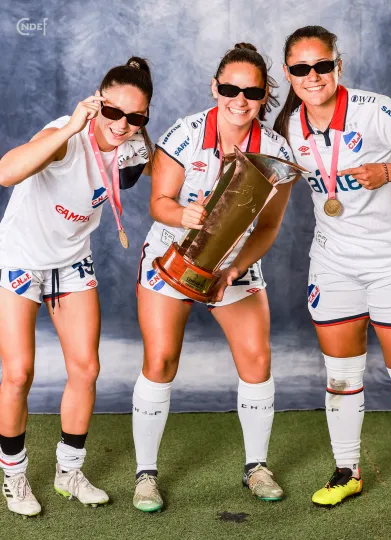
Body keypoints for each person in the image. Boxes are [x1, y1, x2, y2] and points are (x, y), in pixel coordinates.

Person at [274, 25, 391, 517]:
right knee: (341, 376)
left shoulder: (374, 109)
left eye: (322, 65)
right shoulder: (289, 127)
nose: (313, 75)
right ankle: (347, 472)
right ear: (289, 74)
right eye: (301, 68)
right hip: (334, 263)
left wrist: (389, 171)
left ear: (337, 66)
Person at [133, 43, 296, 512]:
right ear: (214, 87)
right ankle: (146, 474)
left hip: (233, 263)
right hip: (173, 255)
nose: (240, 100)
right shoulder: (184, 133)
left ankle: (256, 467)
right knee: (161, 359)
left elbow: (268, 227)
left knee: (257, 359)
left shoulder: (276, 150)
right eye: (230, 89)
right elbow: (159, 203)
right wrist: (184, 215)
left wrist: (235, 268)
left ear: (264, 96)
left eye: (252, 92)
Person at [0, 57, 153, 517]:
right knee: (18, 373)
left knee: (86, 369)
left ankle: (68, 472)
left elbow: (162, 171)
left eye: (135, 117)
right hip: (22, 260)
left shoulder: (133, 146)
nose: (122, 124)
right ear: (96, 103)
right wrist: (70, 126)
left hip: (70, 263)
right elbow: (6, 172)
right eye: (113, 112)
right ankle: (13, 476)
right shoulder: (65, 137)